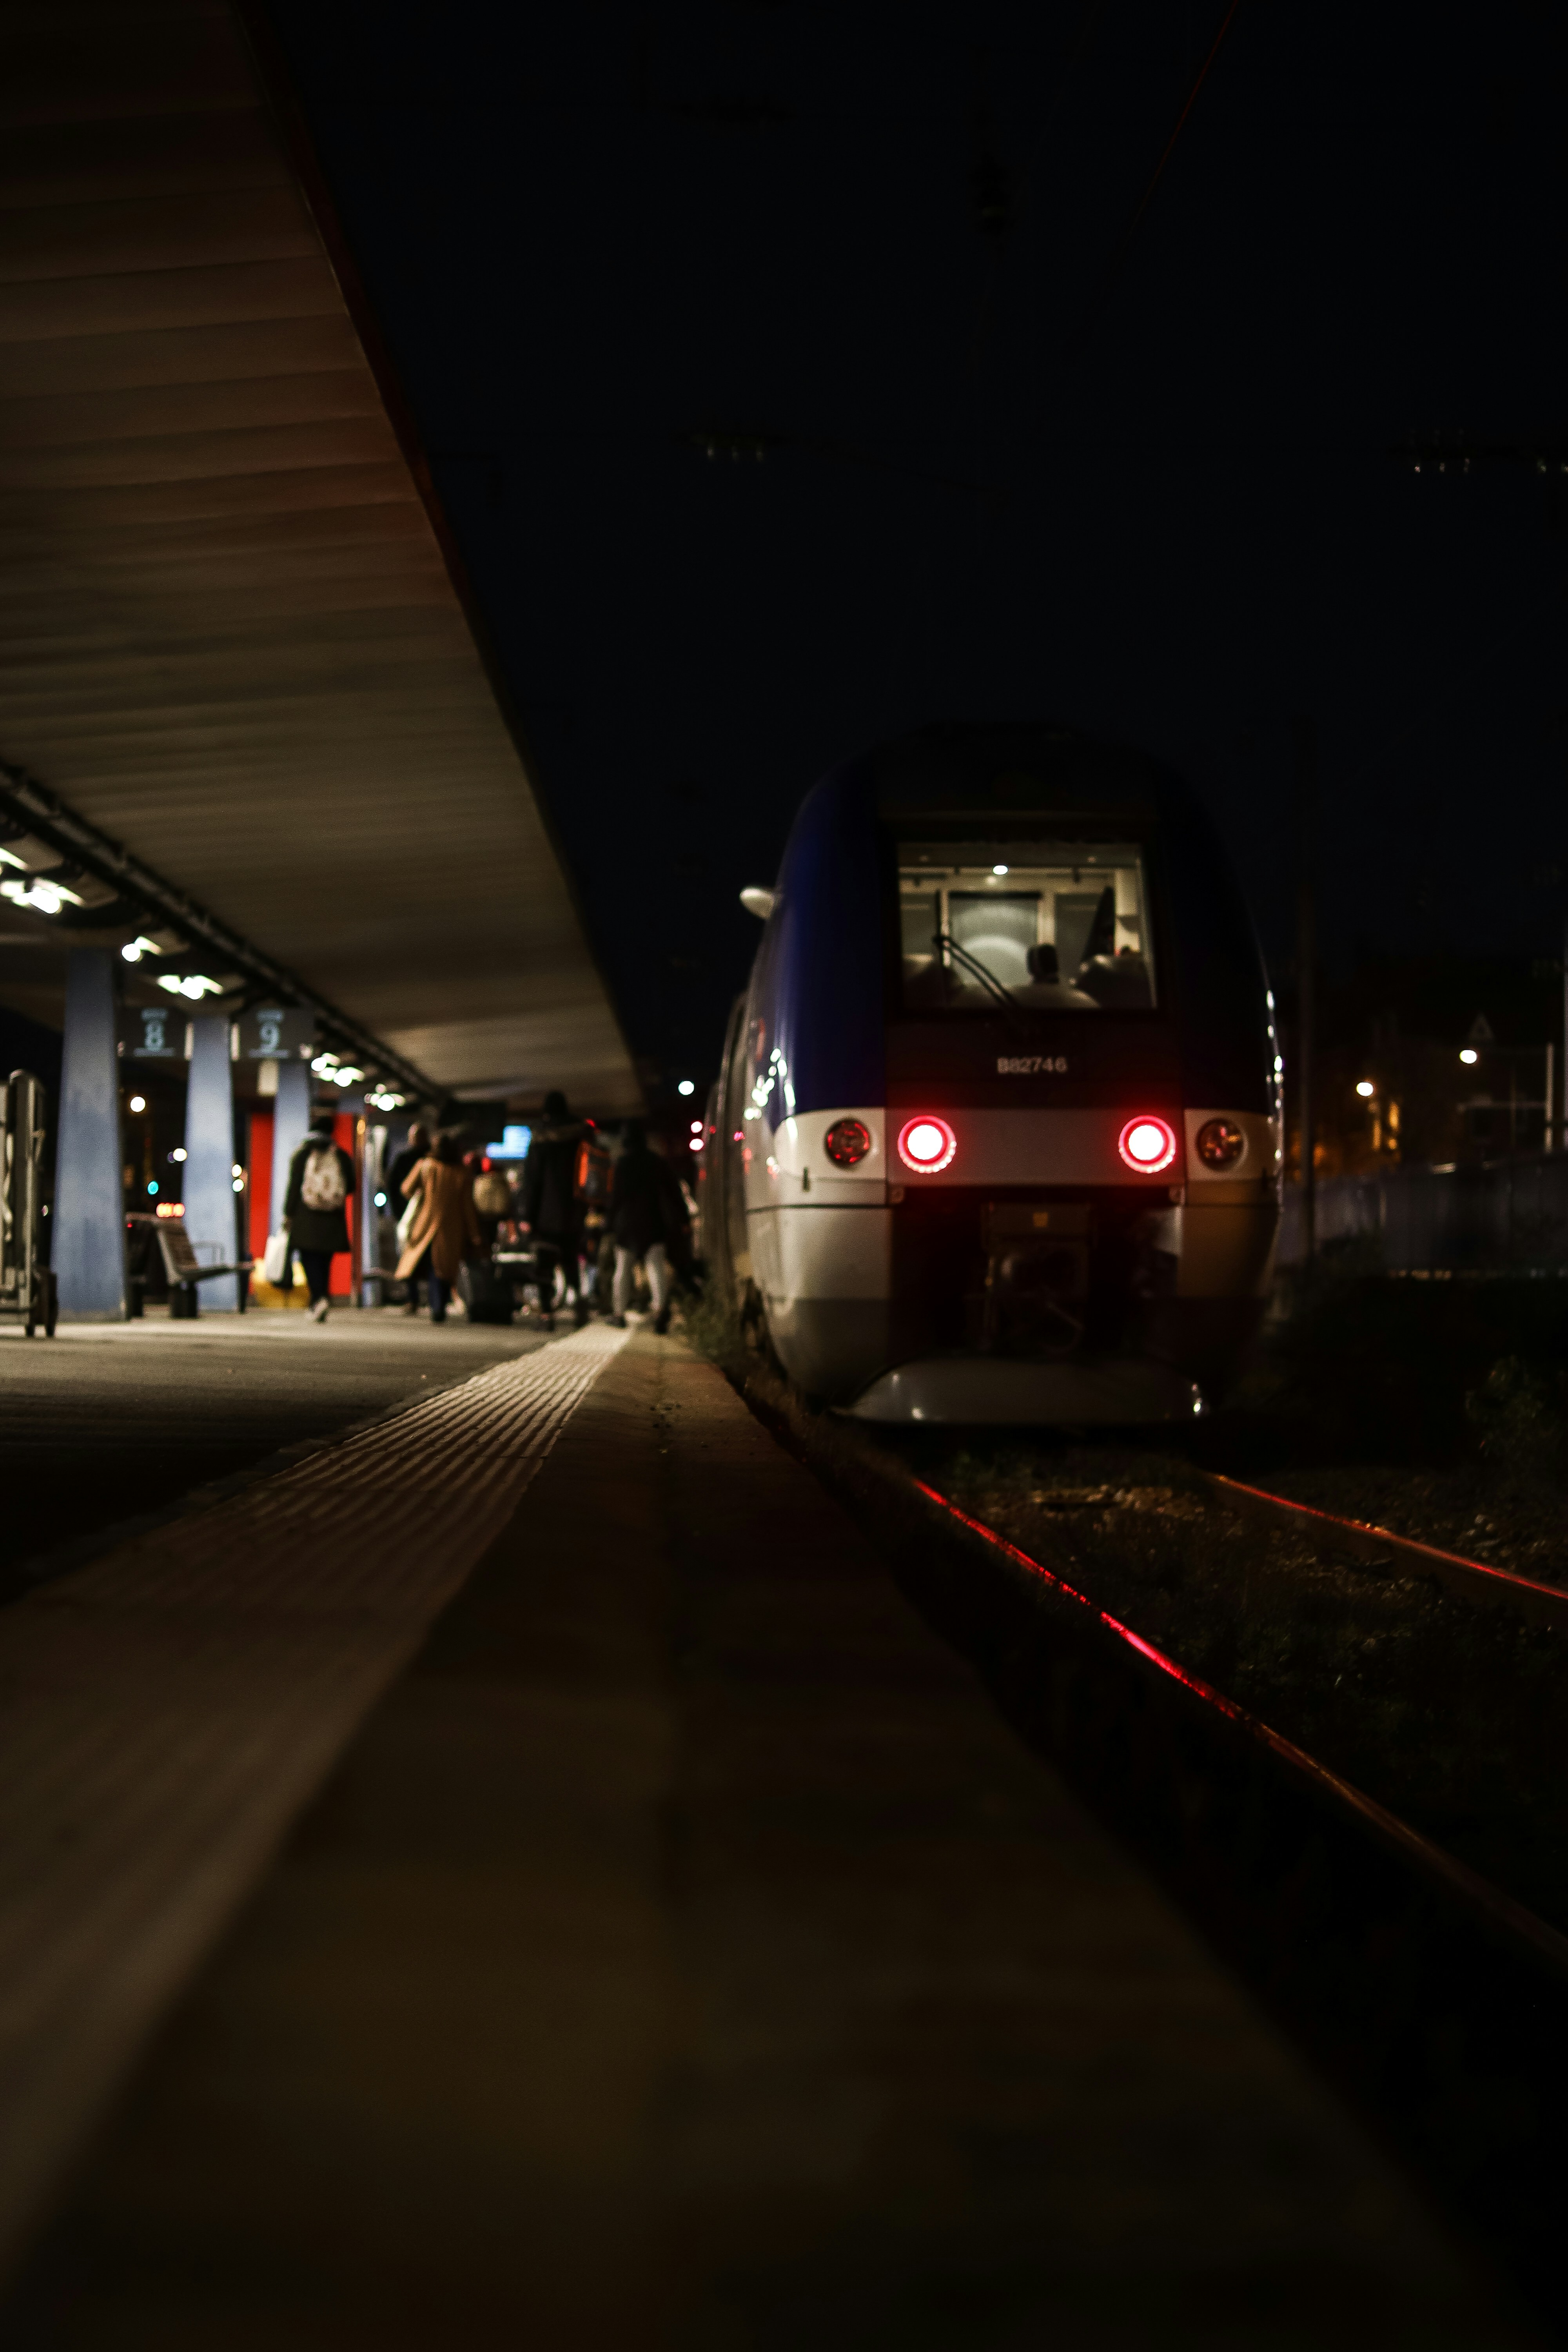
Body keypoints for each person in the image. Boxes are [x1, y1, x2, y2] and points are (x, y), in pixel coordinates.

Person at [609, 1122, 690, 1333]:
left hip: (627, 1225)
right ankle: (661, 1311)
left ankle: (618, 1314)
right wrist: (684, 1219)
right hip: (653, 1222)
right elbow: (674, 1192)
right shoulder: (656, 1162)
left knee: (623, 1270)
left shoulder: (622, 1164)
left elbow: (616, 1197)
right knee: (656, 1269)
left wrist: (609, 1223)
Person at [395, 1129, 481, 1323]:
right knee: (443, 1267)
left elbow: (406, 1189)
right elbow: (468, 1207)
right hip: (452, 1227)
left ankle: (422, 1301)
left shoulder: (425, 1166)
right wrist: (475, 1234)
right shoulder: (462, 1173)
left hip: (425, 1223)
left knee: (422, 1263)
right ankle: (439, 1305)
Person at [521, 1090, 588, 1330]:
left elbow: (532, 1180)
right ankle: (580, 1305)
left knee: (544, 1264)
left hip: (546, 1214)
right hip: (575, 1210)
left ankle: (547, 1315)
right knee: (571, 1260)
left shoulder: (541, 1137)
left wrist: (527, 1215)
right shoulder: (581, 1134)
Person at [282, 1109, 356, 1324]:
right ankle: (321, 1297)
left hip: (306, 1217)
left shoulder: (303, 1154)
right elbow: (351, 1186)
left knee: (309, 1260)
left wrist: (288, 1214)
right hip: (332, 1218)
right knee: (325, 1261)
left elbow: (294, 1186)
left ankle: (318, 1298)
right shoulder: (341, 1156)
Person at [383, 1122, 431, 1312]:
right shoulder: (433, 1159)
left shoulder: (411, 1161)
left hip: (410, 1218)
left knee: (409, 1256)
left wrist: (399, 1213)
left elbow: (400, 1188)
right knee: (427, 1257)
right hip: (426, 1218)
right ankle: (431, 1299)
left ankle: (414, 1299)